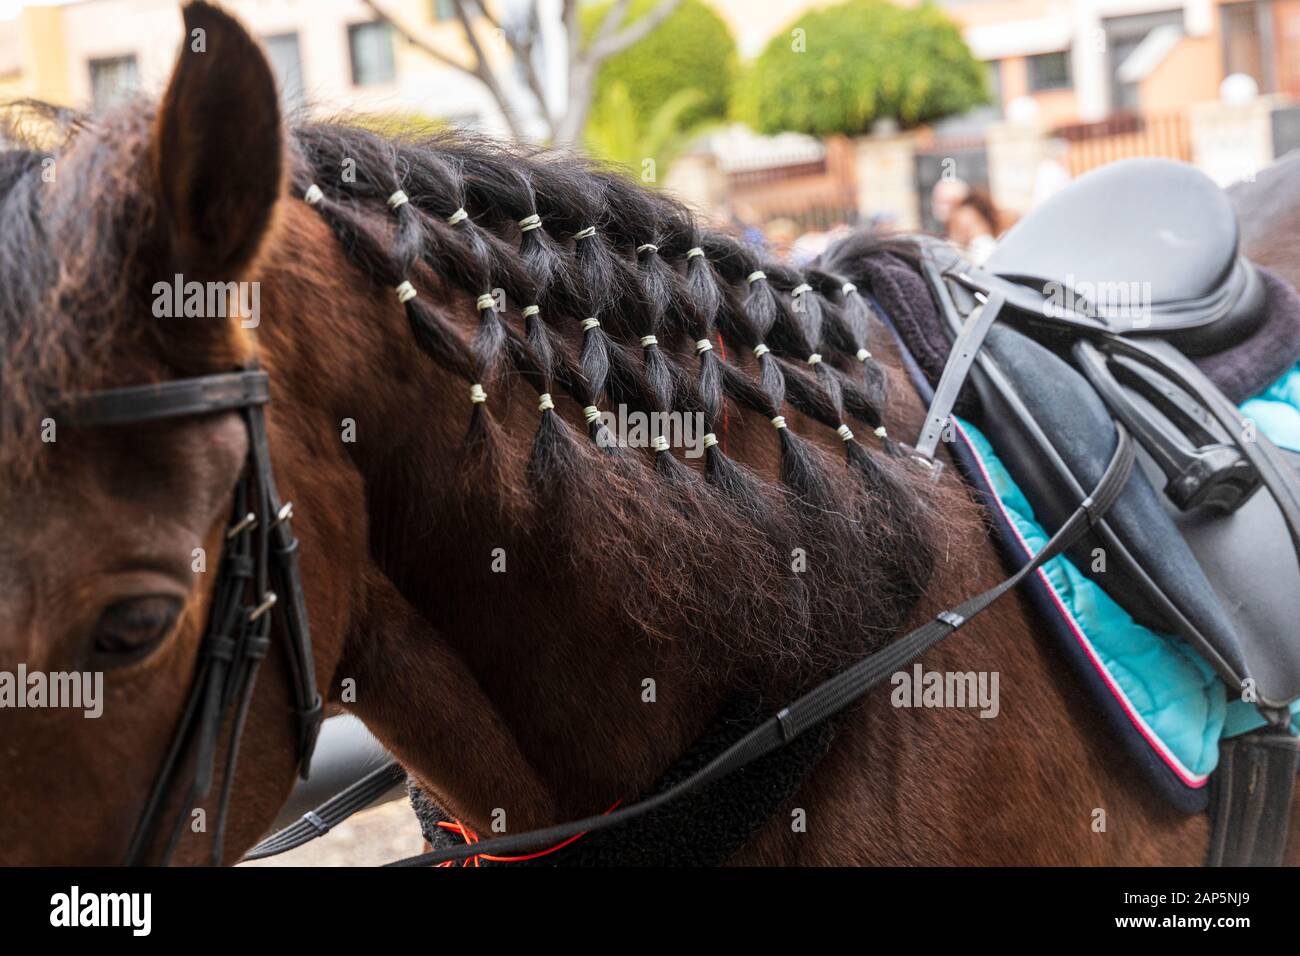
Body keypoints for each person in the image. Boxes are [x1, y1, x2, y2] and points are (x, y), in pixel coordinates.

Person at [946, 188, 1002, 265]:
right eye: (959, 227)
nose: (966, 234)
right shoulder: (951, 254)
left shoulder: (989, 246)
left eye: (970, 226)